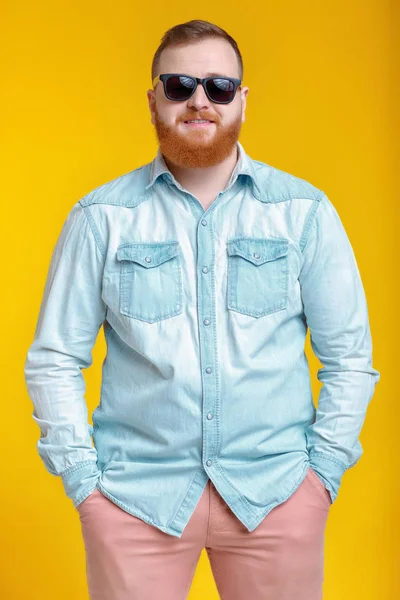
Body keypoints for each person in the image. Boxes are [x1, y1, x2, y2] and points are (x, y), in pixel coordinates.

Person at [24, 18, 380, 600]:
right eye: (180, 85)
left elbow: (349, 358)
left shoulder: (303, 212)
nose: (199, 101)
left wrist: (322, 476)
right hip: (134, 500)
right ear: (153, 99)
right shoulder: (101, 217)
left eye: (218, 87)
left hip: (277, 497)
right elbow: (54, 359)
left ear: (242, 98)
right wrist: (84, 484)